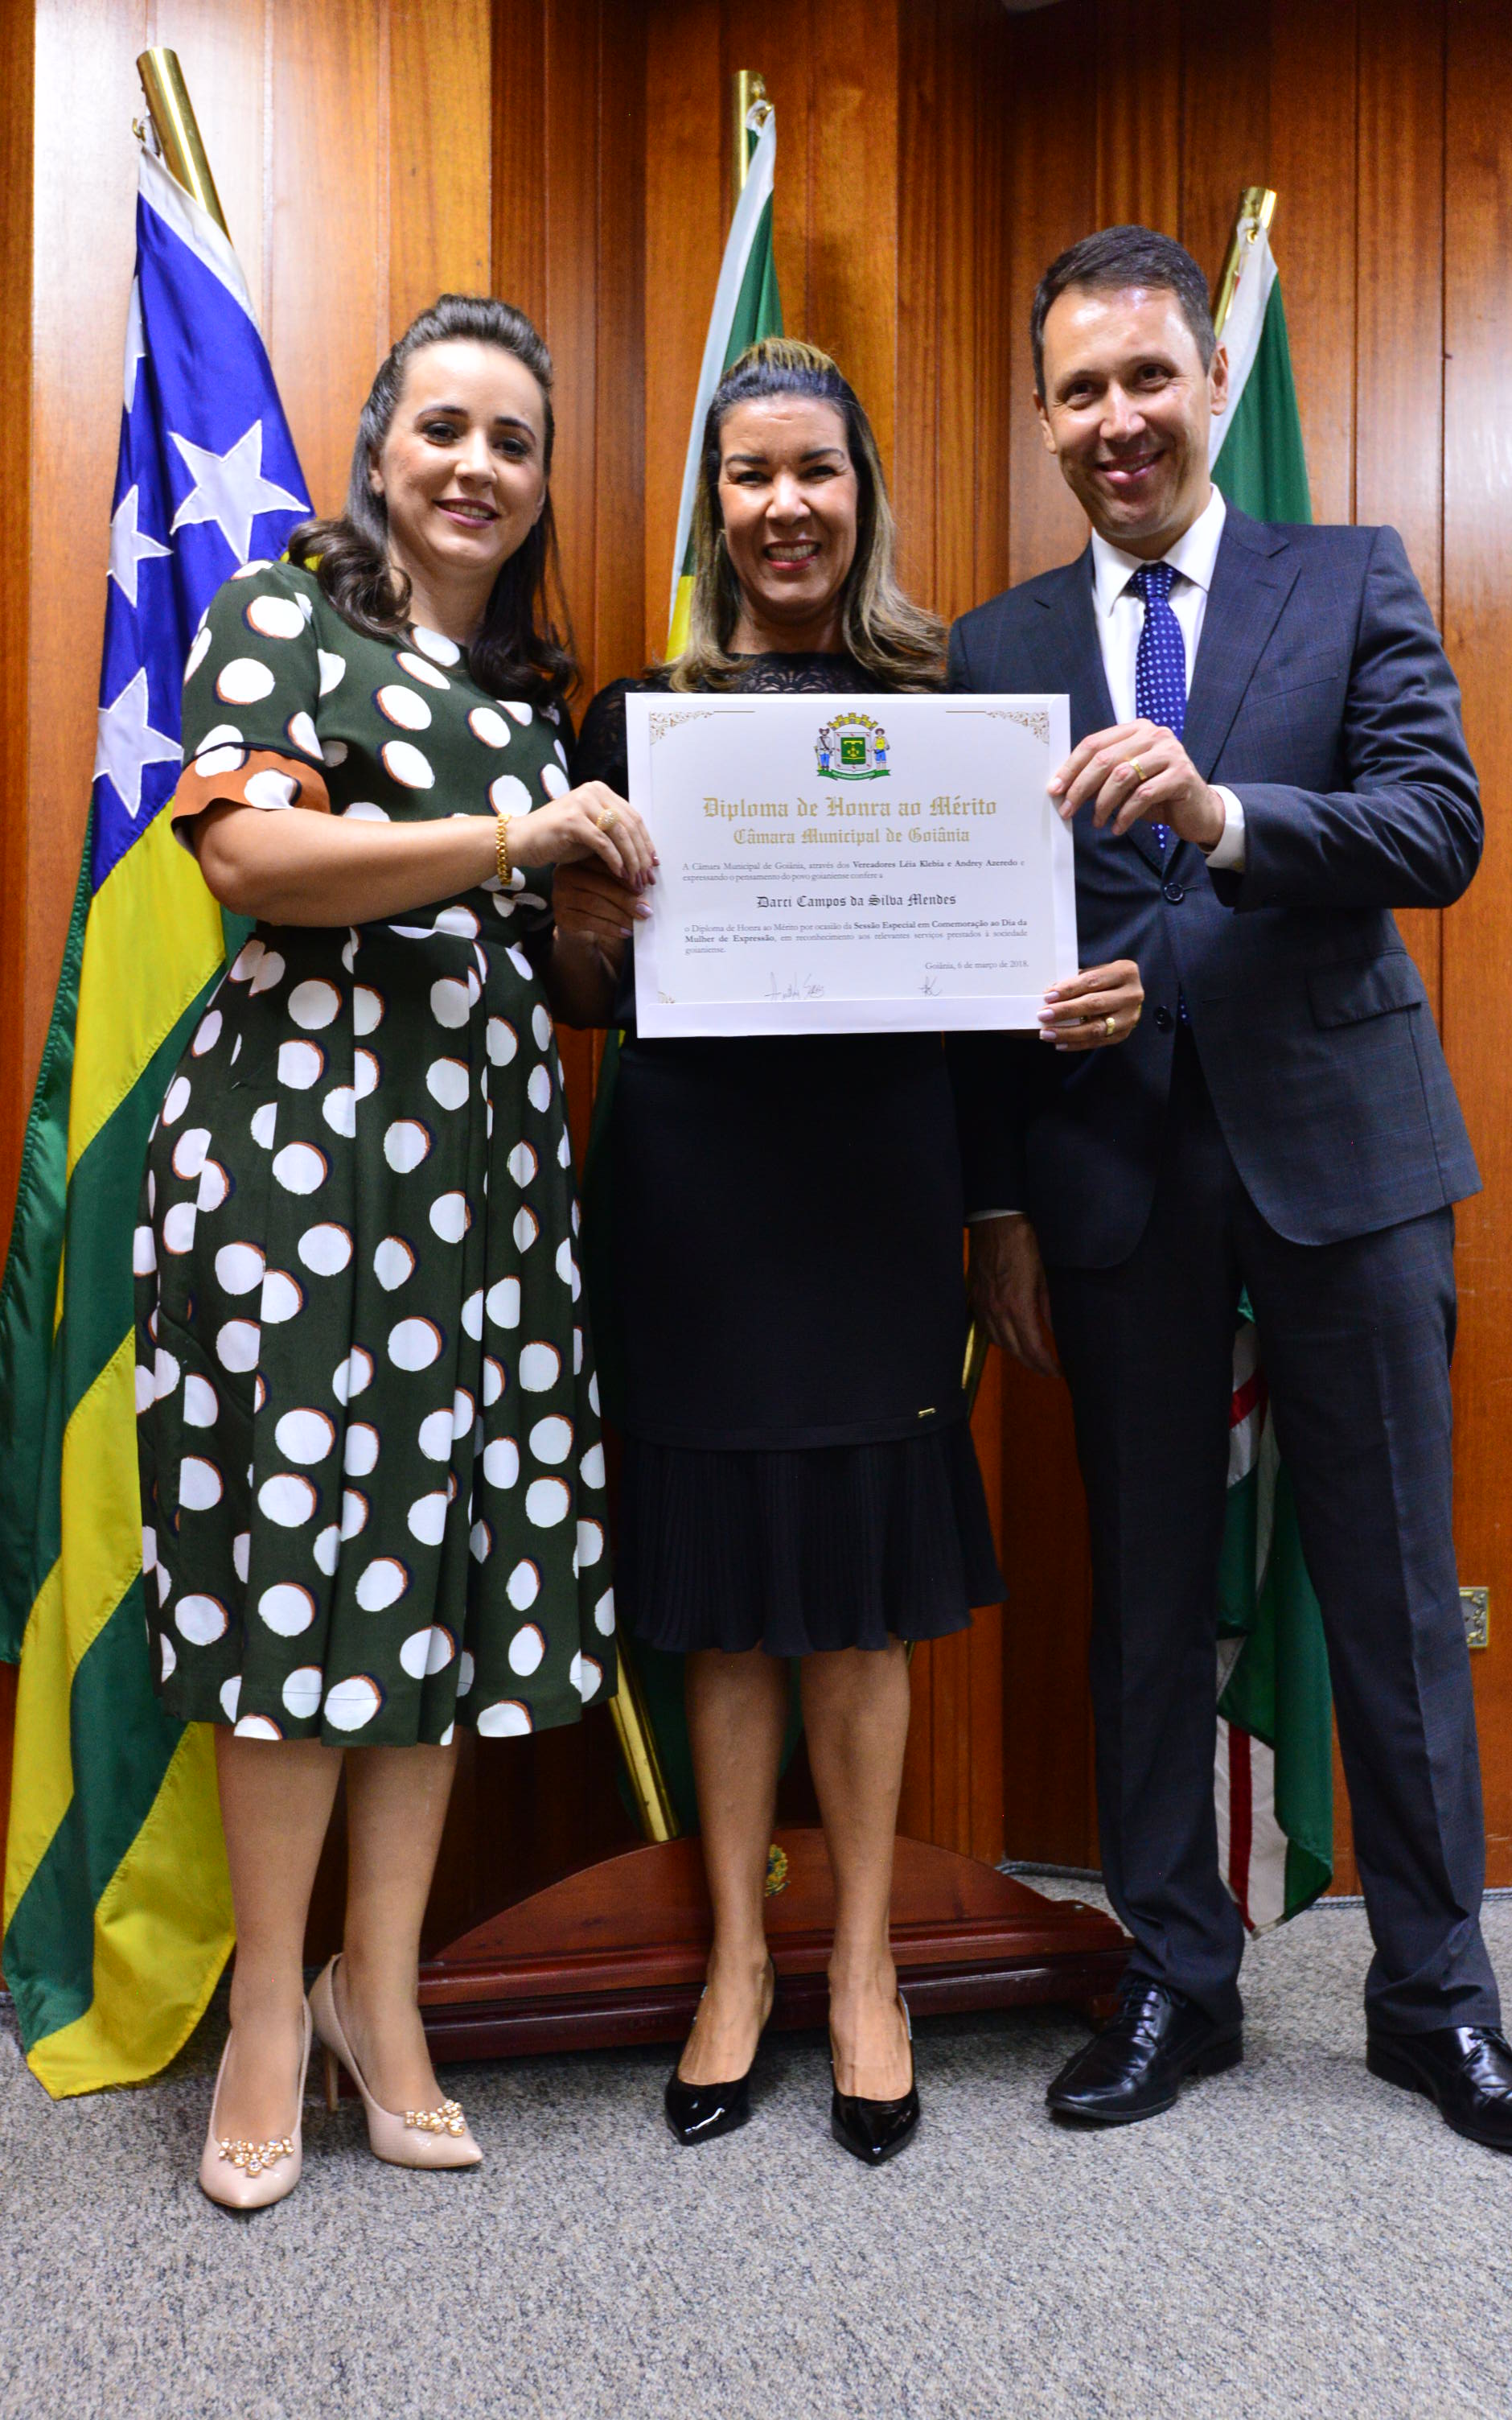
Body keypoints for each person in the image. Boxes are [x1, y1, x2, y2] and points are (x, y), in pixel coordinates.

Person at [951, 226, 1512, 2155]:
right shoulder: (992, 649)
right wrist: (994, 1200)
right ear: (1042, 415)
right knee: (1141, 1597)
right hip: (1109, 1173)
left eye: (1147, 377)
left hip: (1344, 1155)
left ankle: (1436, 2002)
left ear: (1211, 384)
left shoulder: (1348, 575)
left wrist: (1220, 816)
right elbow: (978, 947)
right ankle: (1174, 1976)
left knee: (1389, 1588)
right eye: (1079, 389)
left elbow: (1435, 825)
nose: (1117, 419)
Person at [565, 337, 1144, 2165]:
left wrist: (998, 1209)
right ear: (714, 502)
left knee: (865, 1592)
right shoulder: (636, 716)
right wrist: (594, 923)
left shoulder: (952, 704)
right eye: (749, 475)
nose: (784, 506)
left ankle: (869, 1964)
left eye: (814, 469)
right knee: (726, 1589)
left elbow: (990, 1015)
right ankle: (738, 1961)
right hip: (693, 1201)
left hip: (880, 1196)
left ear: (859, 492)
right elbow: (584, 989)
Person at [136, 293, 646, 2208]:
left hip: (485, 1196)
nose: (475, 466)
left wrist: (594, 914)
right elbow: (254, 862)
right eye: (443, 427)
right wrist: (517, 845)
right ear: (375, 451)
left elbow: (544, 963)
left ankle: (382, 1988)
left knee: (433, 1584)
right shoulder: (283, 619)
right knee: (296, 1584)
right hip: (295, 1177)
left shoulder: (526, 702)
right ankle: (270, 2010)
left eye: (512, 440)